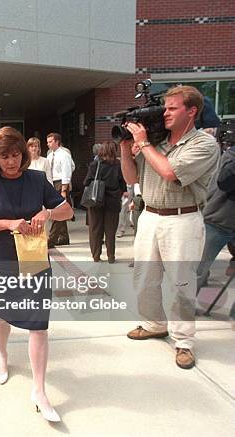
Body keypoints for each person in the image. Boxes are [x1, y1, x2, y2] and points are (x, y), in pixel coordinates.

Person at [0, 127, 73, 422]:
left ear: (24, 155)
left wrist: (47, 213)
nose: (11, 162)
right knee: (1, 314)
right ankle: (2, 354)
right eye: (5, 156)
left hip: (35, 257)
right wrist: (8, 224)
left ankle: (39, 390)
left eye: (15, 155)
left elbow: (67, 211)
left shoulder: (37, 179)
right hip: (1, 256)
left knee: (38, 323)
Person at [120, 85, 220, 369]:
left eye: (172, 108)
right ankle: (154, 324)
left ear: (191, 112)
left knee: (181, 283)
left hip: (183, 219)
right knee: (144, 278)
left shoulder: (203, 144)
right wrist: (126, 149)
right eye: (164, 107)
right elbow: (130, 177)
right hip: (149, 216)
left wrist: (144, 143)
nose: (165, 113)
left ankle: (184, 341)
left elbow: (170, 172)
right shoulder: (155, 141)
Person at [196, 143, 235, 290]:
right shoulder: (231, 155)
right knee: (199, 271)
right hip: (218, 221)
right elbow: (224, 182)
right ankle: (183, 308)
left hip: (225, 221)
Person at [83, 141, 126, 263]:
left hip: (96, 200)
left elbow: (86, 182)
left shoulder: (95, 164)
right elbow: (122, 184)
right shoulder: (118, 164)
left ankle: (96, 255)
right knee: (111, 230)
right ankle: (111, 256)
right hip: (113, 201)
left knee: (95, 229)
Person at [46, 133, 73, 247]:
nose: (48, 144)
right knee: (57, 210)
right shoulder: (49, 155)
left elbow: (67, 170)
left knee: (57, 211)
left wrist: (64, 189)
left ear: (57, 142)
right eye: (47, 142)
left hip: (60, 183)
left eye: (51, 141)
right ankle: (64, 237)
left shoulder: (64, 154)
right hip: (52, 182)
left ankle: (51, 239)